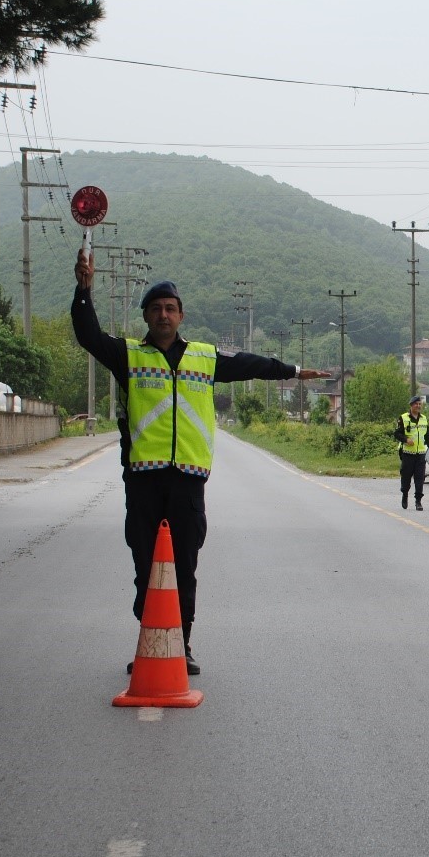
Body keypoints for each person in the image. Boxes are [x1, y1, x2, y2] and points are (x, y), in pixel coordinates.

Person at [72, 250, 330, 675]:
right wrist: (84, 291)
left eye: (170, 309)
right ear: (146, 317)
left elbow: (252, 364)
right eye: (155, 309)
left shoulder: (205, 358)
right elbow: (88, 336)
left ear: (181, 315)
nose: (163, 315)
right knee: (144, 564)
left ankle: (182, 644)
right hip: (144, 480)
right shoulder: (128, 356)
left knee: (184, 567)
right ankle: (149, 637)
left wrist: (295, 370)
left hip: (188, 482)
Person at [395, 394, 429, 510]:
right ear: (411, 406)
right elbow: (397, 433)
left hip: (421, 454)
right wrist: (406, 439)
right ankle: (405, 495)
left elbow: (427, 436)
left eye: (419, 404)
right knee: (406, 477)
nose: (418, 406)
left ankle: (418, 501)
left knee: (420, 478)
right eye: (416, 404)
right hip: (408, 453)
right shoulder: (403, 418)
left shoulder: (424, 418)